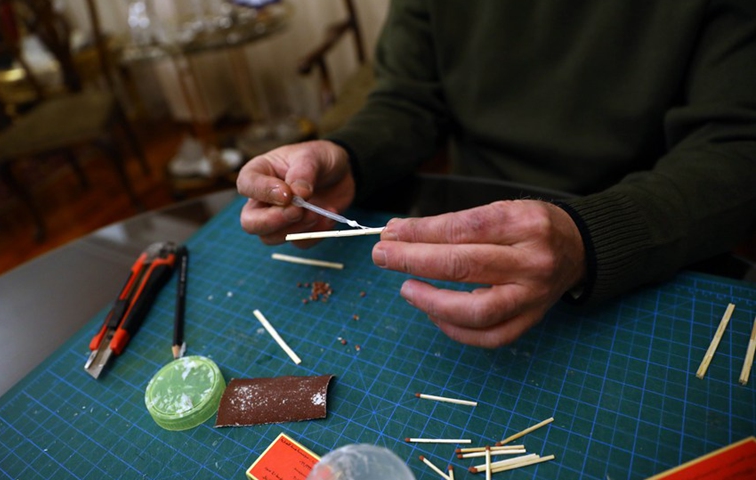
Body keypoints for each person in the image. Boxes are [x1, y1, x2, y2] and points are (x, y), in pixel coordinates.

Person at [236, 1, 756, 348]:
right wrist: (350, 155)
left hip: (653, 250)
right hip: (472, 222)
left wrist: (589, 237)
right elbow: (410, 96)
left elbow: (738, 145)